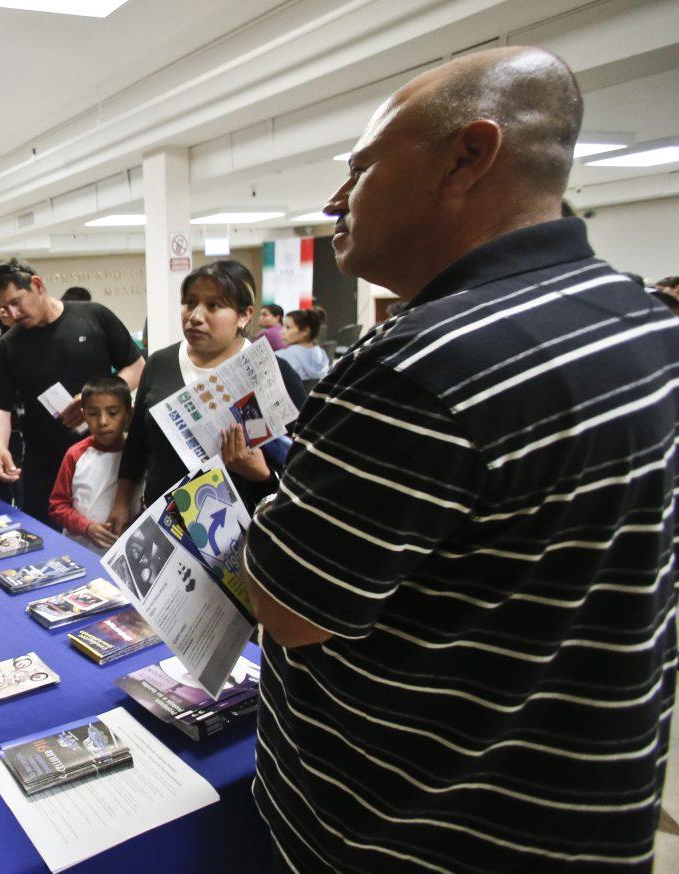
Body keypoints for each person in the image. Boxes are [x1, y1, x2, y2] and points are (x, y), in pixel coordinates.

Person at [241, 47, 679, 872]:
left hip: (414, 831)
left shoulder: (421, 365)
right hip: (576, 812)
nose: (336, 199)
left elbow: (292, 609)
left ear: (468, 156)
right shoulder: (642, 317)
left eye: (361, 168)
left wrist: (269, 509)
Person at [110, 260, 307, 531]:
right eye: (189, 303)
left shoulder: (275, 373)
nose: (195, 316)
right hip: (163, 523)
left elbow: (305, 467)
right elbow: (137, 445)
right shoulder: (160, 363)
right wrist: (122, 502)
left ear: (244, 315)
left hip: (241, 531)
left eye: (214, 306)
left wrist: (261, 475)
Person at [0, 259, 143, 524]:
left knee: (105, 535)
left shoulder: (93, 317)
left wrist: (94, 401)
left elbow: (136, 367)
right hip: (43, 463)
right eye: (3, 308)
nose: (12, 314)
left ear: (37, 285)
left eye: (16, 302)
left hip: (105, 458)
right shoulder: (8, 347)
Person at [47, 375, 136, 551]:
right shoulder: (75, 455)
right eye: (93, 414)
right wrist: (86, 527)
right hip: (79, 550)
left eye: (113, 413)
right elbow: (57, 506)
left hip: (124, 553)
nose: (103, 422)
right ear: (84, 416)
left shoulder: (138, 456)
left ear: (128, 414)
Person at [275, 306, 330, 380]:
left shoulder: (280, 357)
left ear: (305, 331)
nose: (282, 332)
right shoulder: (322, 354)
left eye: (288, 327)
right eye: (283, 327)